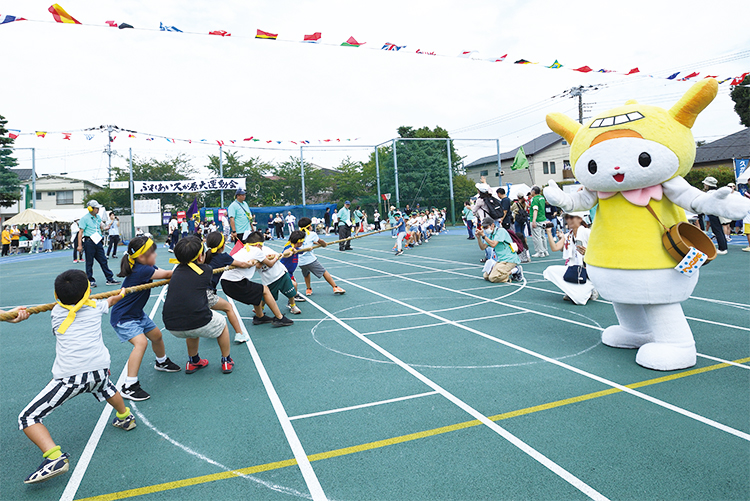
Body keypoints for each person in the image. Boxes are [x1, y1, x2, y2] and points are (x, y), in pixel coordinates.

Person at [18, 270, 134, 485]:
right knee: (105, 387)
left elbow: (74, 303)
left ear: (56, 295)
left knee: (27, 418)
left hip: (71, 378)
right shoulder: (96, 306)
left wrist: (20, 315)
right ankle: (125, 416)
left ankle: (54, 457)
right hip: (100, 369)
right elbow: (110, 300)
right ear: (89, 292)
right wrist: (121, 294)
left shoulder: (56, 312)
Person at [110, 237, 181, 401]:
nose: (155, 255)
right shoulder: (141, 270)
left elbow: (165, 273)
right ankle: (129, 385)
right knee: (141, 343)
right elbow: (169, 274)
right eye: (152, 253)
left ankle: (161, 361)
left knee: (157, 336)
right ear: (141, 257)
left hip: (136, 313)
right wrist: (189, 266)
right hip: (123, 317)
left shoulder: (146, 266)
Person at [162, 236, 235, 374]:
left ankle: (193, 361)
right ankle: (226, 360)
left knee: (191, 326)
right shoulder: (206, 270)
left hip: (171, 326)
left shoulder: (177, 270)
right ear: (200, 257)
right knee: (222, 323)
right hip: (197, 321)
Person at [220, 232, 294, 327]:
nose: (262, 248)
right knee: (265, 290)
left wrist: (263, 261)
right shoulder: (257, 251)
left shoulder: (244, 250)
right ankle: (280, 318)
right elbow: (270, 264)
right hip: (235, 283)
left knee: (257, 291)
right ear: (258, 244)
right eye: (261, 246)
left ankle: (260, 317)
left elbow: (258, 266)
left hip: (227, 282)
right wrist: (276, 257)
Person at [204, 232, 256, 344]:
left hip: (196, 291)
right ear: (223, 245)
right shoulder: (223, 257)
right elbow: (242, 264)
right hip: (206, 293)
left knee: (207, 310)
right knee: (228, 307)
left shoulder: (204, 255)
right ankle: (239, 334)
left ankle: (210, 329)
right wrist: (251, 263)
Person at [543, 211, 599, 305]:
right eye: (566, 218)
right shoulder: (568, 235)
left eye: (571, 217)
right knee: (550, 270)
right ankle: (576, 290)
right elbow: (555, 248)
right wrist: (549, 232)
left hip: (587, 270)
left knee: (579, 300)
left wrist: (587, 252)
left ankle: (591, 288)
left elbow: (600, 250)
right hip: (573, 269)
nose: (568, 220)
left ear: (580, 219)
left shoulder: (586, 232)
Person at [246, 231, 303, 315]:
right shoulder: (250, 255)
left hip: (281, 274)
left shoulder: (266, 249)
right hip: (269, 279)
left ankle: (293, 306)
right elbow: (255, 267)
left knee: (290, 292)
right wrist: (259, 263)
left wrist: (290, 250)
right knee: (266, 297)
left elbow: (282, 255)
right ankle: (260, 308)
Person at [297, 217, 346, 296]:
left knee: (306, 274)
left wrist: (315, 243)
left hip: (300, 262)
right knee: (324, 272)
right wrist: (324, 244)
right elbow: (321, 242)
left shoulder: (297, 234)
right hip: (310, 260)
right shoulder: (312, 234)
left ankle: (308, 289)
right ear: (309, 226)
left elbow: (307, 242)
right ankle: (335, 287)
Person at [77, 201, 120, 288]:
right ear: (90, 208)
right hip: (89, 241)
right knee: (89, 262)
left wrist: (107, 226)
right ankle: (90, 280)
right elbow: (80, 232)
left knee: (103, 260)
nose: (98, 210)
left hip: (98, 241)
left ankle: (109, 279)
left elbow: (102, 227)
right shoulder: (84, 219)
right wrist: (79, 245)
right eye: (96, 208)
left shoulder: (98, 217)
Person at [475, 217, 523, 283]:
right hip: (500, 260)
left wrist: (483, 236)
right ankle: (505, 274)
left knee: (493, 278)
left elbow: (493, 244)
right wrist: (479, 238)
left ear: (492, 225)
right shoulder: (491, 235)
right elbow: (483, 247)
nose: (486, 229)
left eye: (486, 227)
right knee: (486, 276)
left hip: (509, 259)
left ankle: (515, 270)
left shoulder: (501, 231)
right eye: (484, 228)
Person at [699, 177, 728, 255]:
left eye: (705, 184)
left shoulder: (710, 193)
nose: (704, 185)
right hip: (718, 213)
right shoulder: (717, 192)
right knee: (719, 230)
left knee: (717, 230)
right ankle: (723, 247)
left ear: (708, 185)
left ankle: (722, 248)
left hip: (713, 213)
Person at [529, 186, 549, 258]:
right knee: (542, 236)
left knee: (537, 237)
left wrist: (534, 220)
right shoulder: (542, 198)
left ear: (533, 192)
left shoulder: (534, 199)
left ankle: (540, 252)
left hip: (537, 219)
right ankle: (545, 250)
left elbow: (535, 209)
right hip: (543, 218)